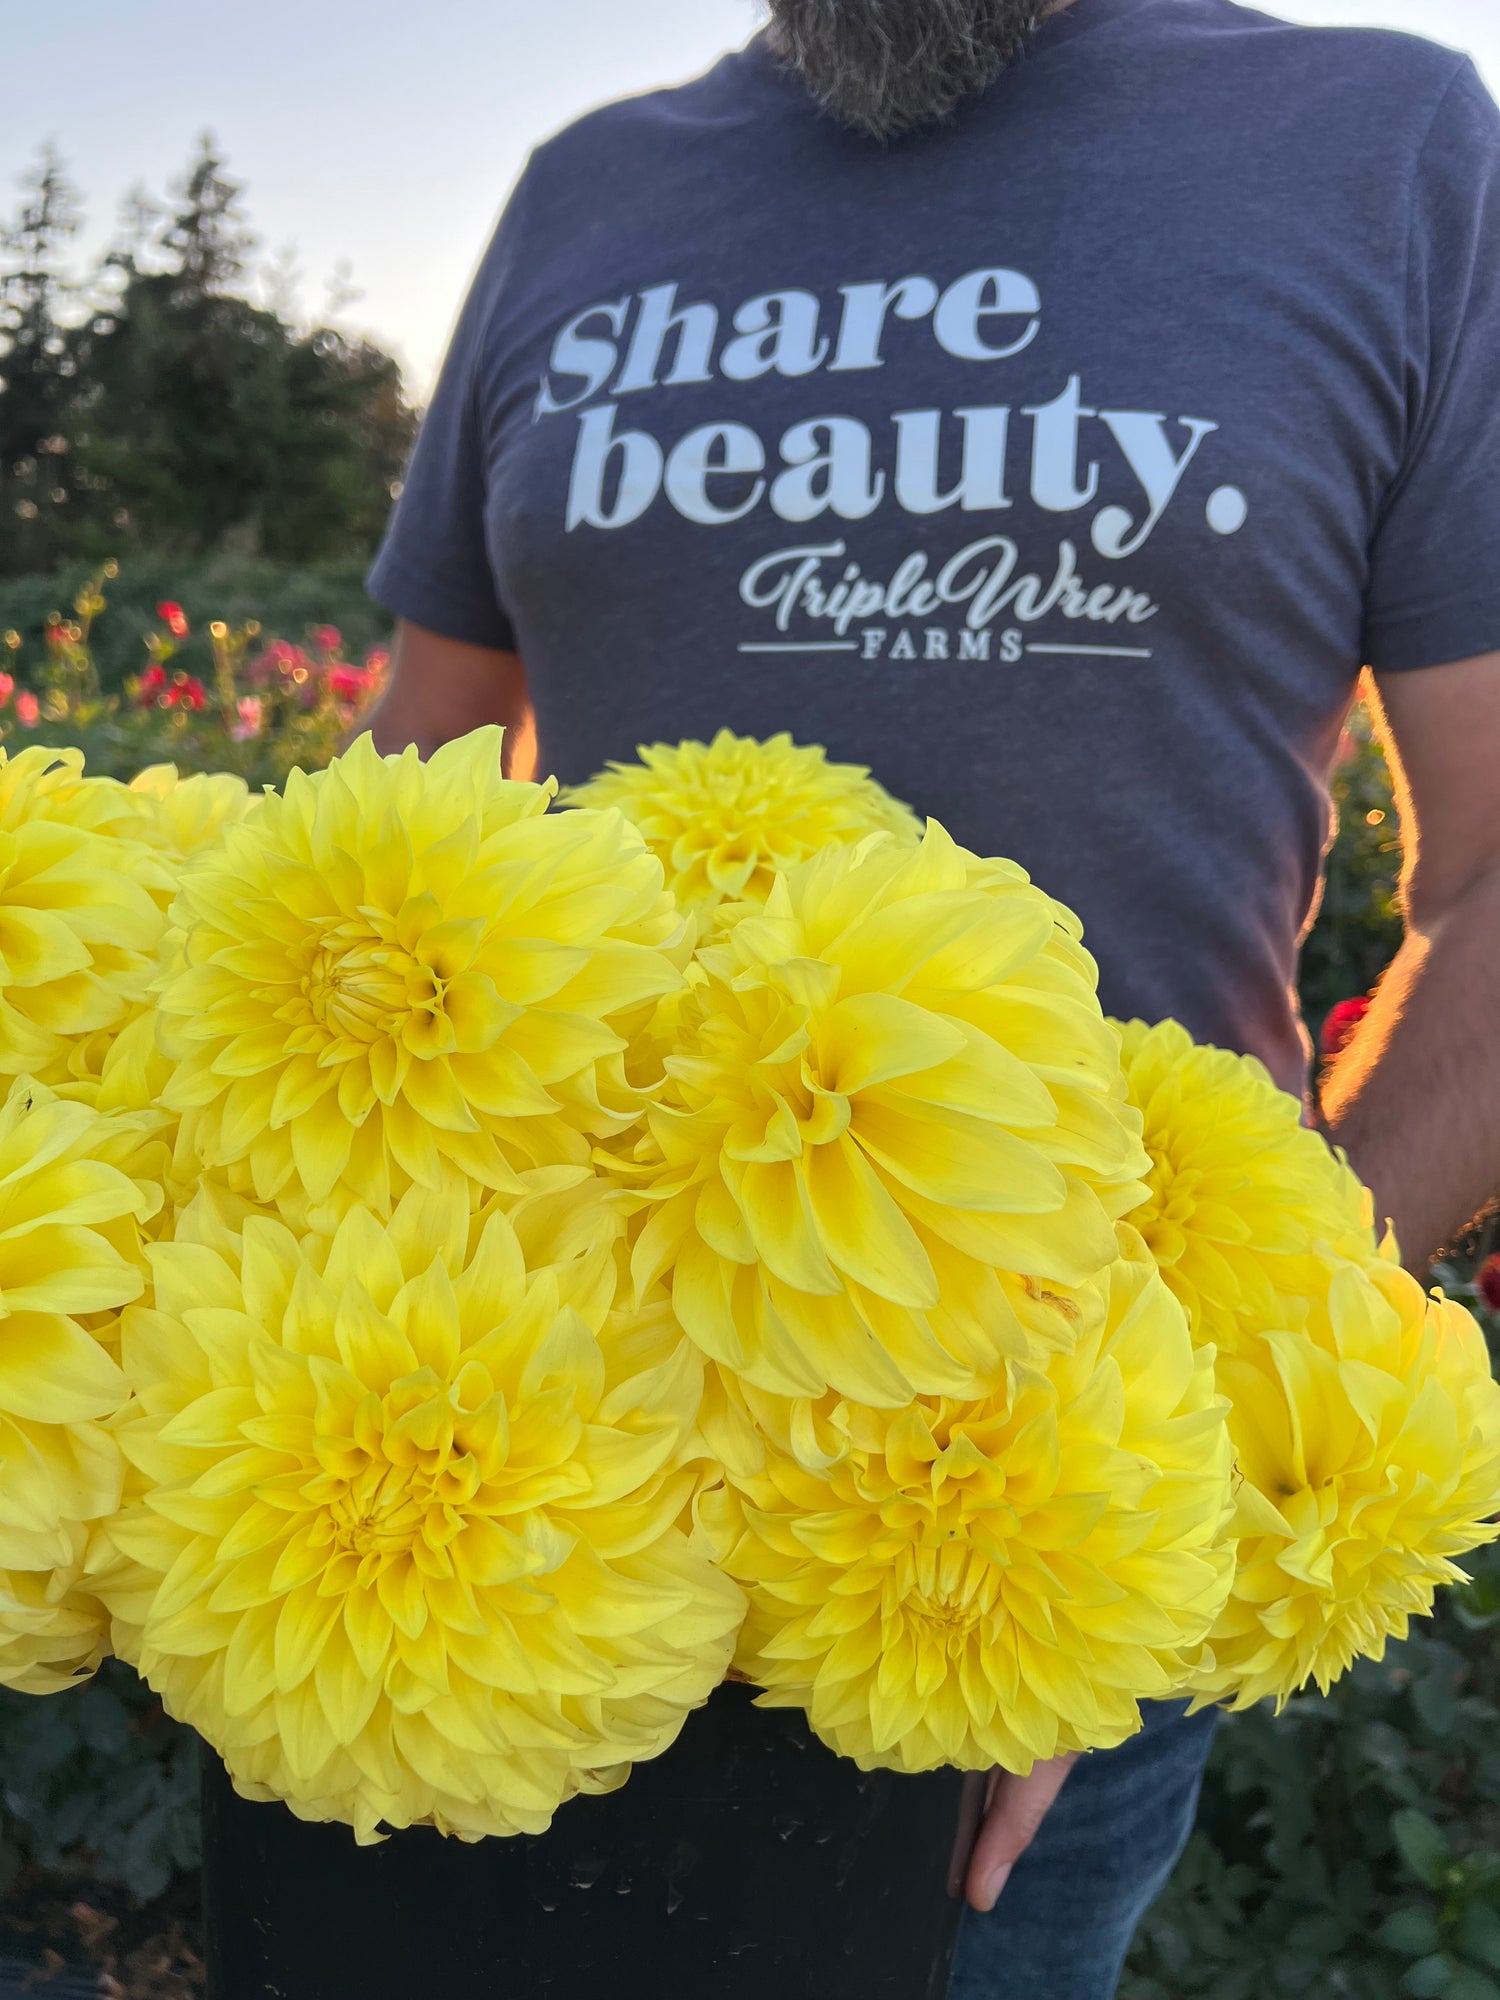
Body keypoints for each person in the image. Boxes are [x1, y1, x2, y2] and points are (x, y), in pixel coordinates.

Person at [364, 0, 1500, 1991]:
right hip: (498, 1483)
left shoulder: (1385, 146)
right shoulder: (586, 191)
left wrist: (1177, 1441)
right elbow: (421, 782)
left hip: (1019, 1563)